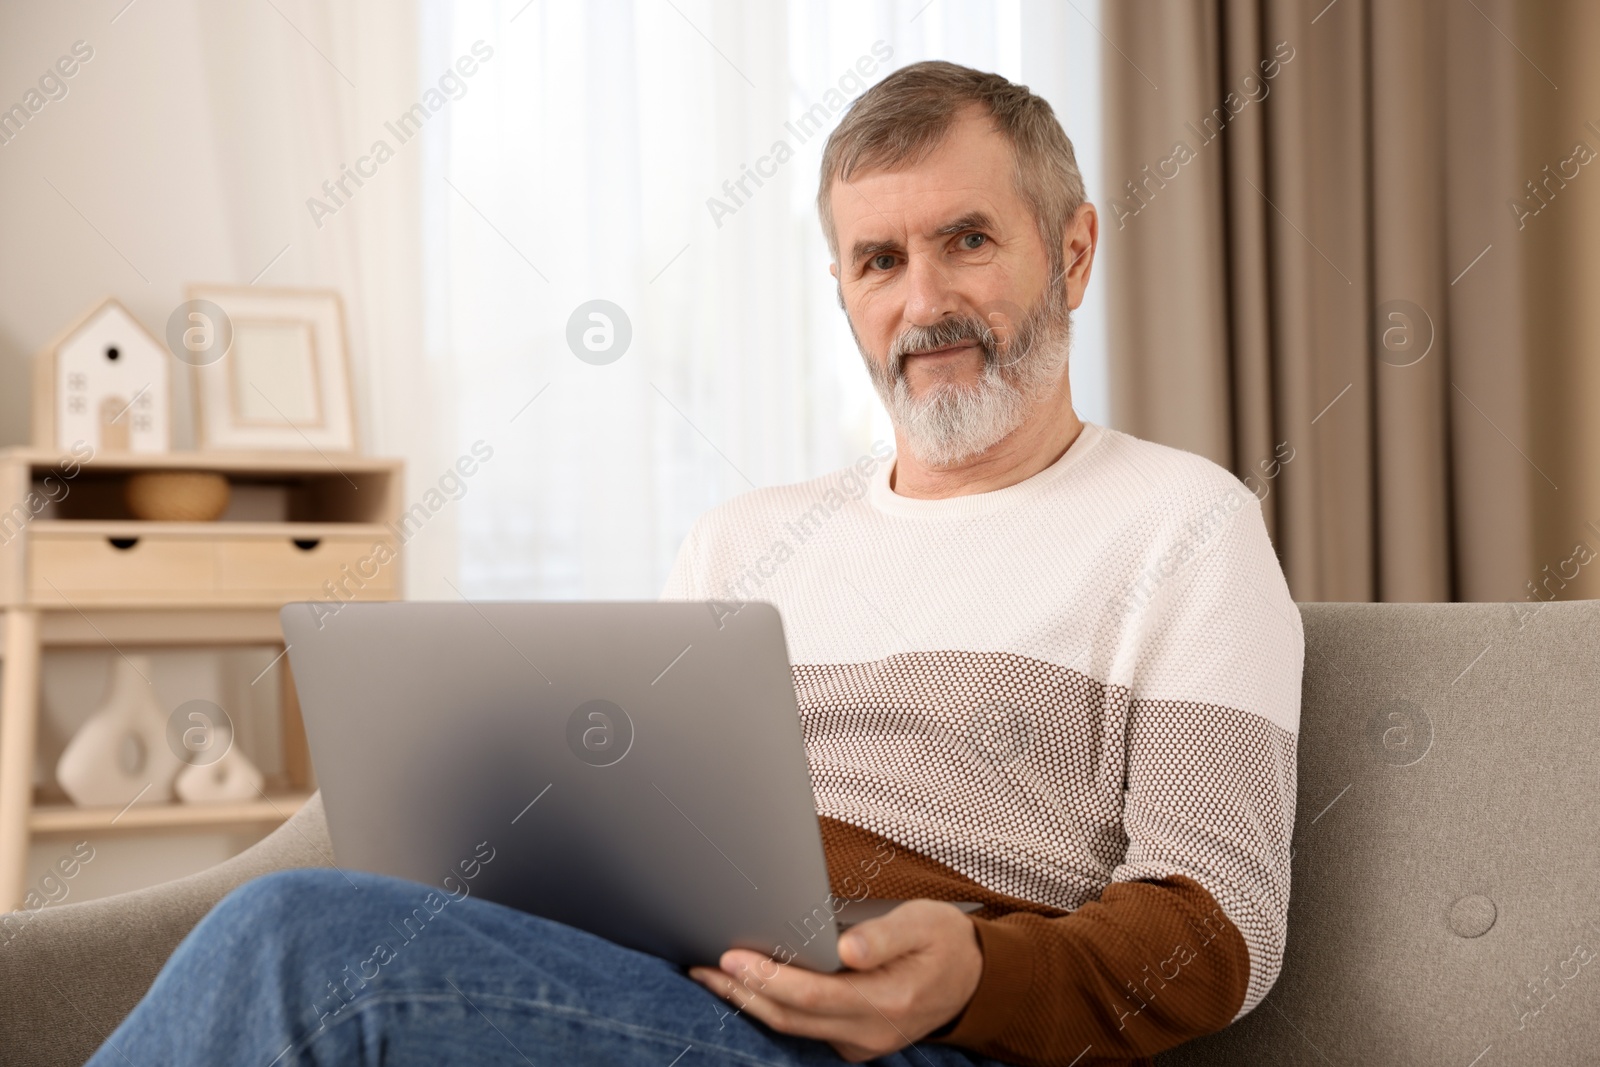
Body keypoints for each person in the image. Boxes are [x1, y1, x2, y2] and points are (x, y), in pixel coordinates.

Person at [86, 59, 1300, 1067]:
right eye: (879, 260)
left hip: (922, 1041)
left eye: (967, 240)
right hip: (671, 990)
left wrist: (976, 971)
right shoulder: (739, 536)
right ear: (842, 294)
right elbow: (637, 830)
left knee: (305, 943)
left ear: (1074, 254)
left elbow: (1220, 927)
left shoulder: (1184, 521)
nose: (924, 299)